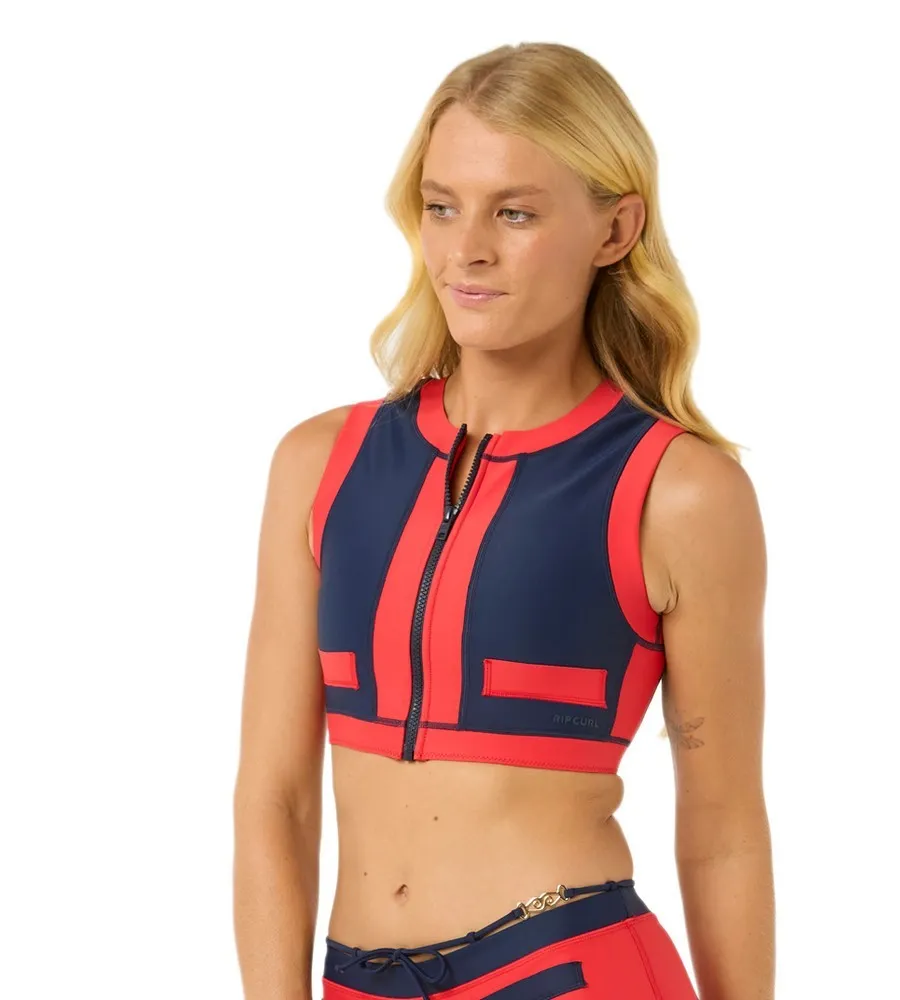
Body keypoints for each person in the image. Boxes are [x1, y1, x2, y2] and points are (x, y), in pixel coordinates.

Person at [233, 41, 773, 1000]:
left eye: (514, 213)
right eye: (442, 206)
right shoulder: (321, 463)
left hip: (565, 971)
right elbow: (274, 798)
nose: (466, 250)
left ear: (616, 230)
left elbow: (723, 827)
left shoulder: (678, 490)